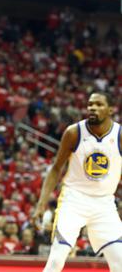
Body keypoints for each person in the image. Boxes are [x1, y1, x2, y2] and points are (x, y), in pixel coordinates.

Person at [32, 92, 121, 272]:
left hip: (104, 203)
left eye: (98, 104)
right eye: (90, 104)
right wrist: (41, 203)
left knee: (119, 262)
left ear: (111, 109)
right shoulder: (74, 132)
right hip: (74, 200)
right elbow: (56, 168)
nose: (92, 108)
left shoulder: (119, 135)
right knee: (56, 260)